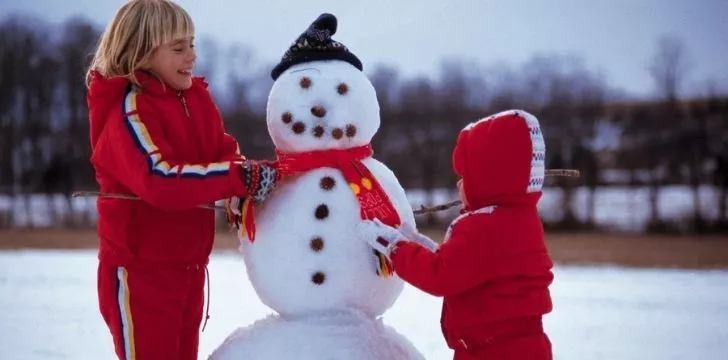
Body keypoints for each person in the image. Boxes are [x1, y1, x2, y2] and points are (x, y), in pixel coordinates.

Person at [85, 1, 277, 359]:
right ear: (142, 53)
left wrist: (244, 181)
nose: (191, 55)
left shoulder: (196, 99)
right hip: (141, 273)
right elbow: (160, 181)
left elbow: (222, 152)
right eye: (178, 48)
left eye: (192, 43)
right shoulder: (130, 111)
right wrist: (236, 177)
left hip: (188, 268)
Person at [363, 110, 554, 360]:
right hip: (526, 347)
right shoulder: (521, 218)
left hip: (490, 352)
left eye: (465, 177)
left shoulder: (483, 226)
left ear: (490, 176)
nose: (459, 185)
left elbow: (441, 275)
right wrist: (417, 243)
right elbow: (465, 266)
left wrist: (396, 248)